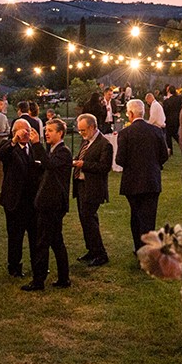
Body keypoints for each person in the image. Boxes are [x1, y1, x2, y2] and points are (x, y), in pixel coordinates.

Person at [116, 99, 169, 252]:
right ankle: (147, 249)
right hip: (151, 179)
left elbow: (120, 159)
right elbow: (164, 155)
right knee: (148, 218)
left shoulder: (125, 133)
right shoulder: (156, 131)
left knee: (136, 216)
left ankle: (140, 247)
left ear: (131, 114)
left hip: (132, 181)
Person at [24, 119, 72, 291]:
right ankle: (64, 278)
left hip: (52, 204)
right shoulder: (53, 150)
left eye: (50, 130)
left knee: (42, 243)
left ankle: (38, 281)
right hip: (49, 202)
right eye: (46, 130)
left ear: (60, 133)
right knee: (56, 241)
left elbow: (49, 165)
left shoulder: (63, 152)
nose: (47, 133)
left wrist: (36, 144)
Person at [0, 118, 43, 278]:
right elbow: (1, 155)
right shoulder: (9, 146)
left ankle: (37, 265)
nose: (26, 134)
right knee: (15, 236)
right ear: (14, 132)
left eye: (28, 131)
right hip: (14, 201)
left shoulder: (32, 146)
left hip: (32, 200)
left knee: (35, 235)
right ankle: (14, 266)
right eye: (23, 131)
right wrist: (15, 140)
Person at [72, 113, 113, 267]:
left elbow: (104, 167)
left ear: (92, 127)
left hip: (93, 187)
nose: (81, 133)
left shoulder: (104, 144)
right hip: (82, 186)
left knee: (89, 219)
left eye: (83, 130)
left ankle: (101, 253)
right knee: (85, 220)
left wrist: (83, 164)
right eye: (79, 131)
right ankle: (91, 250)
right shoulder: (86, 142)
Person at [162, 85, 182, 154]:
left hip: (169, 119)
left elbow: (165, 110)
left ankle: (170, 149)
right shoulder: (179, 98)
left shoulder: (167, 101)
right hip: (177, 118)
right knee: (175, 134)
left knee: (168, 135)